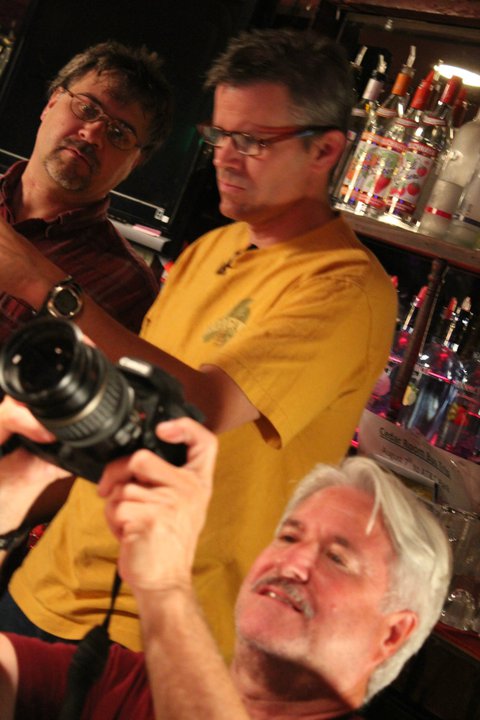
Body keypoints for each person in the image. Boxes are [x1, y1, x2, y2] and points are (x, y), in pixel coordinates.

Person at [0, 28, 398, 658]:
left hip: (152, 628)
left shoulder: (346, 289)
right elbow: (125, 410)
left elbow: (202, 408)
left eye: (252, 142)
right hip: (46, 584)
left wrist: (39, 281)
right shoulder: (213, 248)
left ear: (324, 150)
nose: (225, 157)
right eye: (220, 136)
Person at [0, 399, 451, 720]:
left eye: (337, 558)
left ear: (393, 633)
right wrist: (14, 489)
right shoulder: (130, 681)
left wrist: (164, 586)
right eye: (289, 535)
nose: (292, 562)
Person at [0, 39, 173, 342]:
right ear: (51, 104)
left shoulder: (130, 289)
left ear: (136, 162)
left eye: (119, 133)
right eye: (87, 108)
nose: (92, 133)